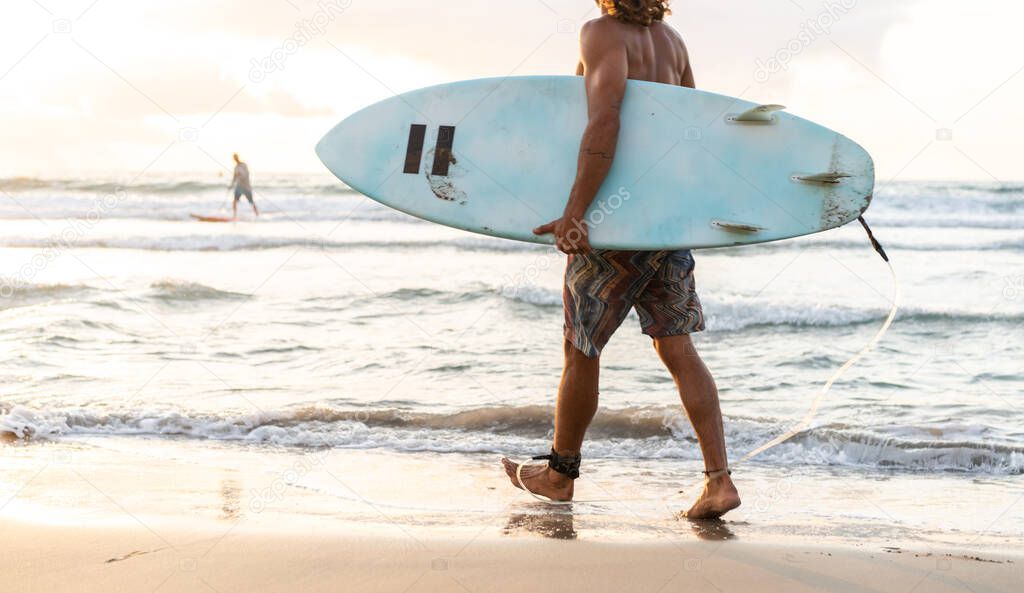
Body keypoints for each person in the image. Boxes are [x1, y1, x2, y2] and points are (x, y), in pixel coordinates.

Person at [501, 0, 741, 520]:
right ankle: (718, 481)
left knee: (581, 348)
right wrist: (682, 214)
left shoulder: (601, 33)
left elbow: (605, 118)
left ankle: (560, 475)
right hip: (665, 222)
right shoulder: (673, 43)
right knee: (678, 348)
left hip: (614, 225)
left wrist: (576, 212)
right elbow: (691, 130)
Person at [230, 153, 259, 219]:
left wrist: (240, 174)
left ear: (238, 157)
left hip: (246, 186)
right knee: (234, 201)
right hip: (239, 186)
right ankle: (234, 216)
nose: (235, 159)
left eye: (236, 157)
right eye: (234, 158)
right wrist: (231, 185)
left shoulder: (243, 165)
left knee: (251, 202)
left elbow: (246, 174)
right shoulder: (236, 167)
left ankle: (257, 214)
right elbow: (234, 177)